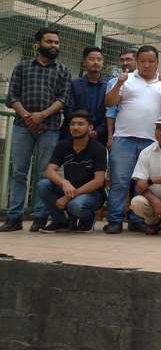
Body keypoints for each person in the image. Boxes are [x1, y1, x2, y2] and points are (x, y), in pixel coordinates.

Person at [104, 45, 161, 234]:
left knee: (143, 182)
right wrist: (119, 84)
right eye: (143, 61)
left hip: (151, 141)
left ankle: (138, 219)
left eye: (151, 61)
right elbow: (109, 102)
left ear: (157, 62)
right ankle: (114, 220)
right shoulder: (126, 79)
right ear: (137, 61)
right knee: (119, 181)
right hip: (123, 138)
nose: (147, 65)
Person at [1, 28, 71, 233]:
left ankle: (40, 217)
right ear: (37, 44)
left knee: (45, 174)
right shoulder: (22, 67)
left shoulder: (63, 70)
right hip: (22, 127)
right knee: (19, 172)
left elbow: (63, 99)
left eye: (57, 42)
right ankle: (14, 217)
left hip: (49, 128)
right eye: (49, 42)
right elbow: (11, 97)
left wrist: (41, 116)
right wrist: (27, 116)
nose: (54, 46)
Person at [37, 111, 106, 233]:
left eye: (80, 124)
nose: (75, 127)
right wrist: (64, 183)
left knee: (75, 206)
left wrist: (68, 197)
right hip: (69, 189)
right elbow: (49, 171)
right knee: (43, 185)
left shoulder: (98, 149)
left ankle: (87, 220)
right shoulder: (63, 145)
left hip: (92, 194)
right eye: (72, 124)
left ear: (90, 127)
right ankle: (60, 221)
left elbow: (99, 181)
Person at [63, 46, 107, 144]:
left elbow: (109, 113)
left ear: (103, 63)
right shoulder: (74, 84)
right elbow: (69, 108)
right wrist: (81, 127)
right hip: (73, 135)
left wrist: (97, 131)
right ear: (84, 62)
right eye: (91, 59)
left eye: (99, 59)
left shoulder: (108, 87)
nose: (96, 62)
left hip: (99, 138)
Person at [105, 48, 137, 150]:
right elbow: (110, 111)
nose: (125, 63)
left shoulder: (147, 80)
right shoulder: (114, 82)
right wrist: (110, 136)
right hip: (122, 135)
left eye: (128, 59)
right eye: (122, 60)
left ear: (137, 60)